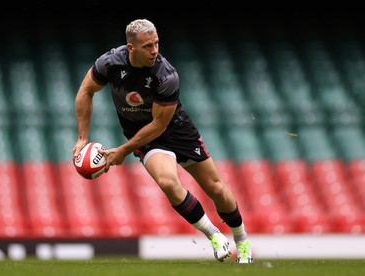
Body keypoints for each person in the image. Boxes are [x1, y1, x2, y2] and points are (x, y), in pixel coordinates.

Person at [72, 18, 253, 263]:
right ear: (130, 47)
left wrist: (123, 151)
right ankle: (214, 235)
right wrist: (82, 137)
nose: (154, 50)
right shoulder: (110, 62)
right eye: (147, 46)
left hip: (176, 130)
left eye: (156, 43)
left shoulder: (166, 75)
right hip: (145, 138)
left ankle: (242, 241)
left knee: (216, 189)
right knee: (168, 182)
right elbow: (86, 91)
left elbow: (159, 124)